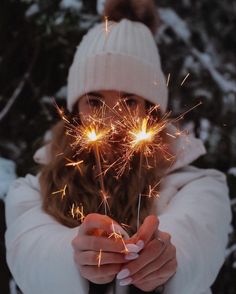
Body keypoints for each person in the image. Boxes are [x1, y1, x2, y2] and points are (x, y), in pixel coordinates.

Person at [5, 0, 232, 293]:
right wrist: (73, 255)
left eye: (129, 102)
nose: (111, 120)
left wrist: (168, 258)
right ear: (75, 111)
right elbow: (30, 252)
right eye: (95, 101)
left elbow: (196, 237)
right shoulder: (32, 192)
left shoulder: (199, 186)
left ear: (150, 112)